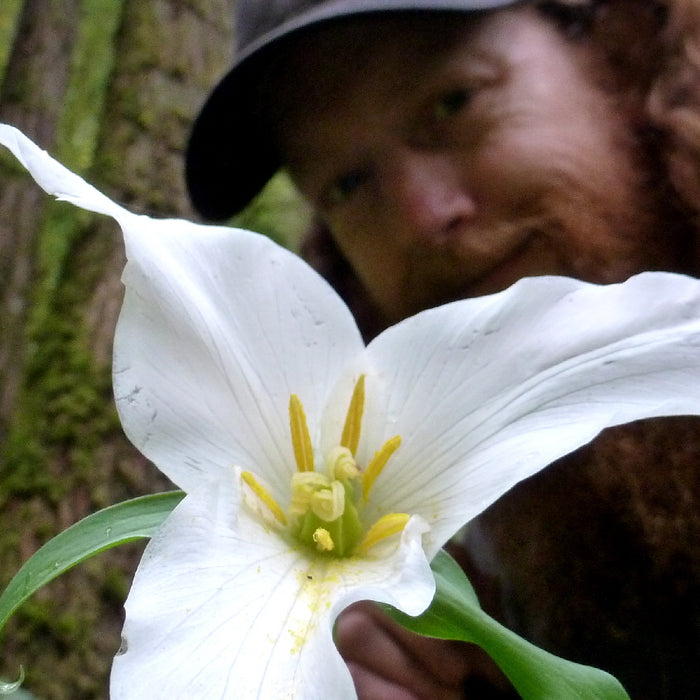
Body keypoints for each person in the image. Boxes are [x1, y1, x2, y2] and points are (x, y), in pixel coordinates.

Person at [186, 0, 700, 698]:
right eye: (347, 183)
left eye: (453, 103)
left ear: (597, 40)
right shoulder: (444, 539)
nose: (425, 218)